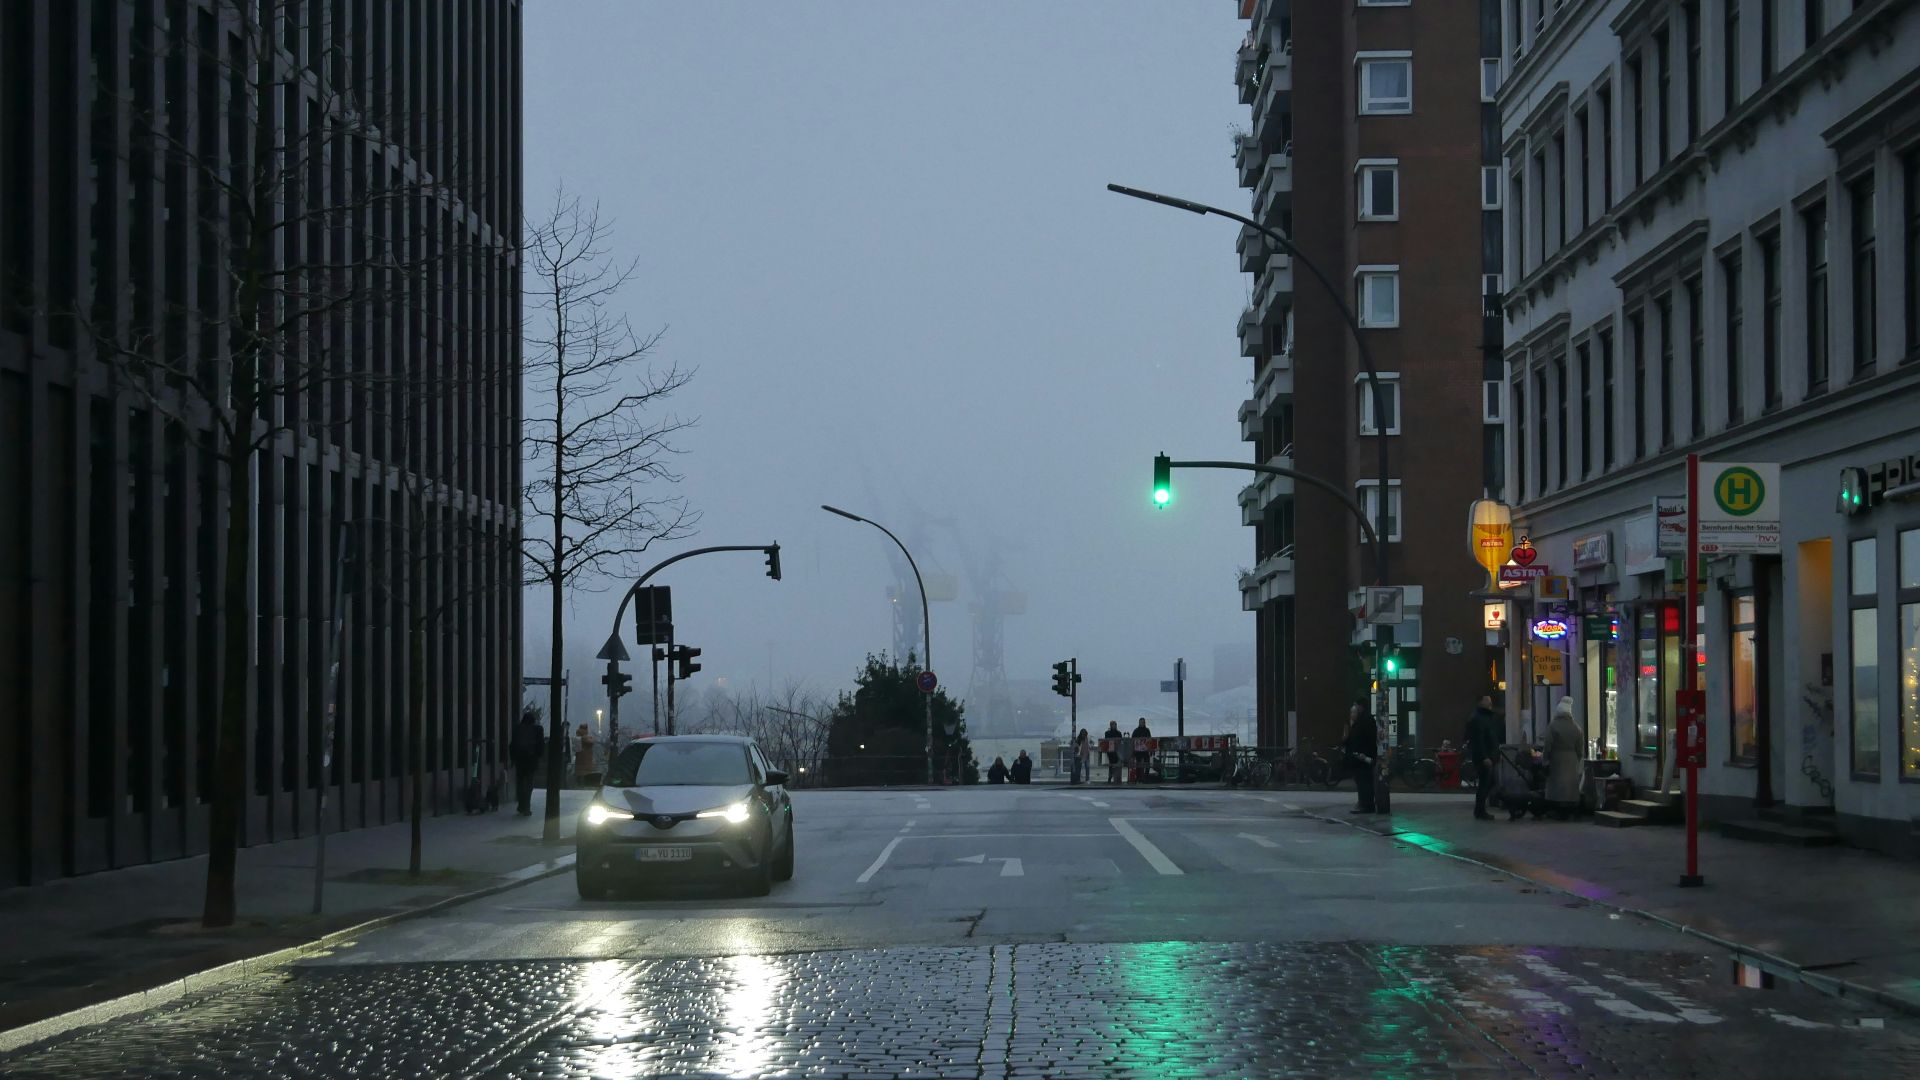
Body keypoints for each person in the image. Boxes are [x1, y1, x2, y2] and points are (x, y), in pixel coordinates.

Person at [1544, 696, 1585, 818]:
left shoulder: (1553, 726)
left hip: (1556, 758)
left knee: (1557, 783)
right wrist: (1577, 758)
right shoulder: (1576, 728)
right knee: (1569, 784)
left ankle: (1557, 809)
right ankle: (1570, 807)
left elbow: (1547, 745)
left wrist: (1545, 760)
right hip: (1572, 759)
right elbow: (1580, 748)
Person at [1465, 695, 1502, 821]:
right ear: (1480, 702)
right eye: (1487, 700)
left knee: (1488, 782)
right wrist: (1484, 757)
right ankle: (1480, 810)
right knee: (1485, 782)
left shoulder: (1486, 717)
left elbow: (1491, 736)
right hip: (1484, 757)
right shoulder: (1478, 719)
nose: (1490, 702)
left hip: (1489, 755)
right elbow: (1478, 740)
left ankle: (1480, 809)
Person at [1343, 699, 1378, 814]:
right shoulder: (1358, 721)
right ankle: (1363, 802)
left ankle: (1366, 805)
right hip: (1358, 757)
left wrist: (1365, 754)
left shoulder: (1366, 720)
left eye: (1356, 706)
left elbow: (1369, 739)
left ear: (1361, 706)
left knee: (1364, 781)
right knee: (1361, 781)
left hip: (1363, 757)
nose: (1354, 710)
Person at [510, 711, 546, 817]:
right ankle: (527, 806)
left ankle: (521, 804)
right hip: (531, 760)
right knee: (529, 783)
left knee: (520, 782)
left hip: (520, 760)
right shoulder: (538, 729)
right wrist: (539, 756)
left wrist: (512, 759)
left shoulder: (517, 729)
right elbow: (541, 745)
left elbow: (512, 745)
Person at [1130, 718, 1153, 782]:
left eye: (1143, 722)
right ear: (1139, 723)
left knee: (1147, 764)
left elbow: (1150, 739)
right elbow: (1132, 740)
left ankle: (1146, 776)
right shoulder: (1136, 731)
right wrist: (1133, 751)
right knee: (1138, 764)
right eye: (1141, 722)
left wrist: (1150, 749)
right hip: (1138, 751)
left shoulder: (1147, 730)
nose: (1142, 723)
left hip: (1145, 750)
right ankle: (1138, 777)